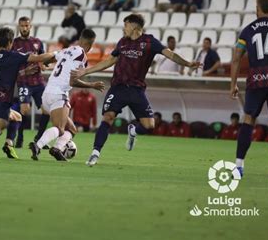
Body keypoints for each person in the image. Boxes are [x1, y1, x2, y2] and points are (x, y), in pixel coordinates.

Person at [72, 14, 201, 166]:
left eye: (125, 25)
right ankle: (95, 153)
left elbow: (170, 54)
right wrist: (85, 72)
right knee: (108, 117)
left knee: (149, 126)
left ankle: (133, 130)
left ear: (134, 26)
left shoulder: (149, 42)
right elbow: (109, 61)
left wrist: (188, 64)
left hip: (136, 90)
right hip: (118, 88)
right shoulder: (123, 42)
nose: (124, 28)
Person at [0, 27, 56, 160]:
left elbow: (3, 73)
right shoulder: (13, 56)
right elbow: (39, 57)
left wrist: (23, 73)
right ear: (10, 42)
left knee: (16, 117)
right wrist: (57, 54)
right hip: (2, 101)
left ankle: (9, 145)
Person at [29, 29, 105, 161]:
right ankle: (38, 145)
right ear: (91, 45)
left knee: (72, 129)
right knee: (60, 128)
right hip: (59, 94)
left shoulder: (68, 50)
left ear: (80, 39)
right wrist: (92, 85)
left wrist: (45, 62)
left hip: (47, 93)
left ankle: (57, 149)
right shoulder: (82, 55)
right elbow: (73, 81)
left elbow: (52, 57)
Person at [230, 0, 268, 178]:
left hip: (257, 80)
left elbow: (236, 58)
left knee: (248, 121)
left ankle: (239, 166)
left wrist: (233, 84)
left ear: (257, 8)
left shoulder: (248, 30)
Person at [8, 16, 50, 148]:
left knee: (47, 110)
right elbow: (9, 65)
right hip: (23, 82)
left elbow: (43, 58)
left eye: (27, 26)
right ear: (19, 27)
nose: (24, 28)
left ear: (30, 26)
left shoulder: (37, 42)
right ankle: (19, 137)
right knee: (24, 110)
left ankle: (39, 139)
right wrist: (23, 72)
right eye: (22, 26)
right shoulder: (13, 44)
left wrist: (43, 64)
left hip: (38, 82)